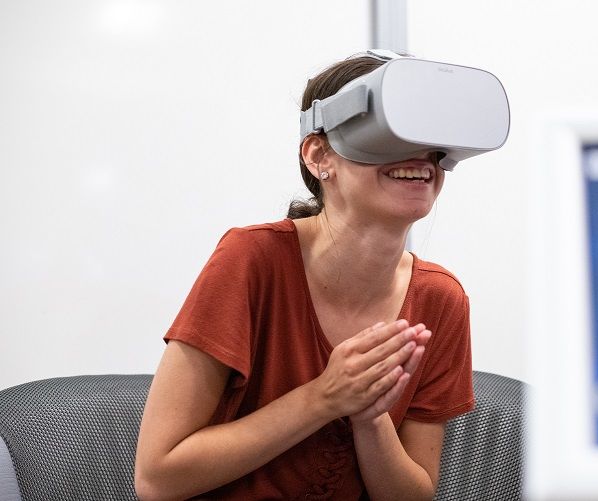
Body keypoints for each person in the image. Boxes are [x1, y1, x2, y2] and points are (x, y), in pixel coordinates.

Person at [134, 52, 474, 501]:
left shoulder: (440, 299)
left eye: (429, 139)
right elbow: (157, 480)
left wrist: (370, 419)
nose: (420, 156)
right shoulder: (252, 260)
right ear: (319, 156)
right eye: (386, 134)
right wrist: (325, 398)